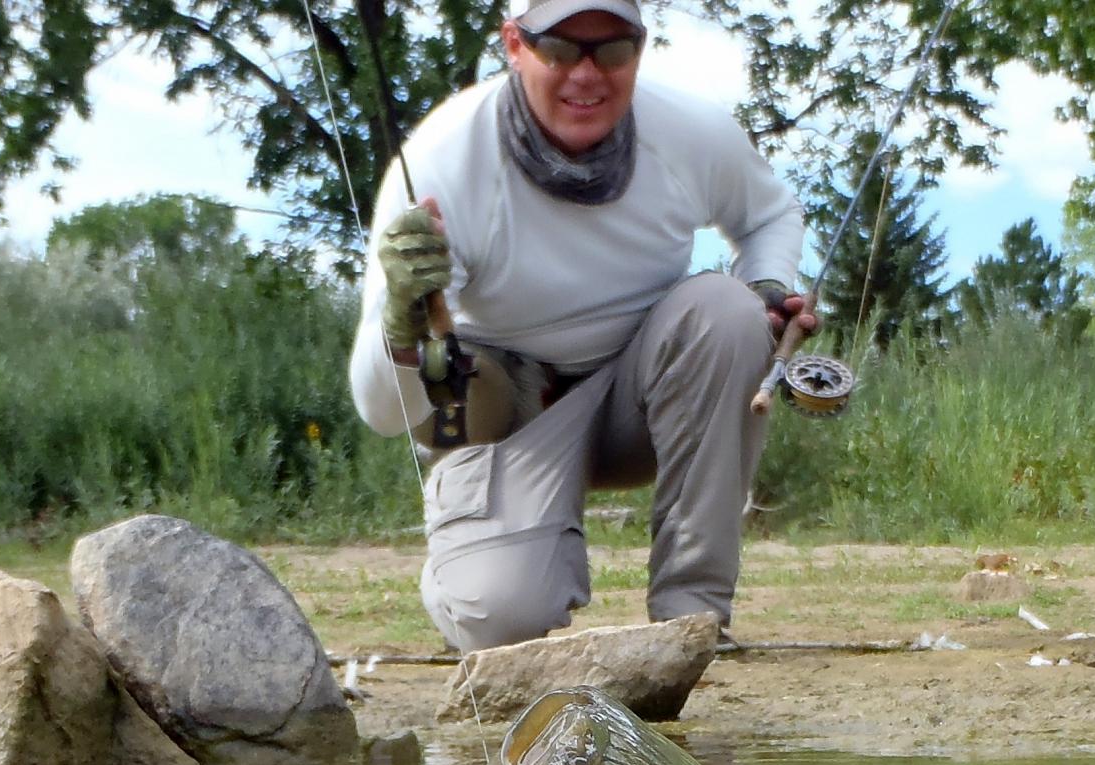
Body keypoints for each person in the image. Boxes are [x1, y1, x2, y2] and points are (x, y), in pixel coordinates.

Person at [348, 0, 816, 654]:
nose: (587, 75)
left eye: (613, 48)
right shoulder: (441, 163)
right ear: (514, 44)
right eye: (561, 48)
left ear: (640, 47)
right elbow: (381, 412)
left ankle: (694, 621)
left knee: (730, 311)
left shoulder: (688, 131)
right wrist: (398, 315)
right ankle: (465, 562)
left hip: (638, 400)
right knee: (500, 618)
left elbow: (772, 214)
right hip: (507, 406)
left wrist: (769, 287)